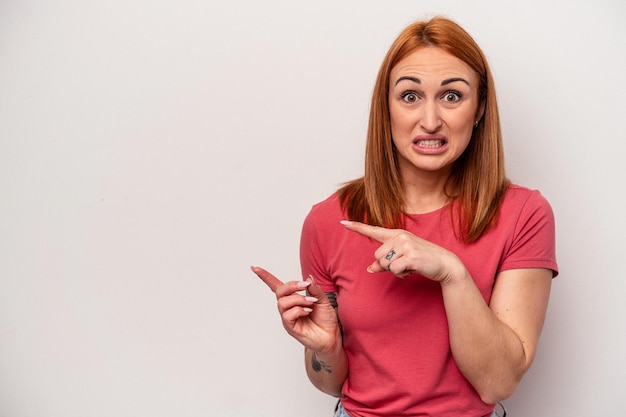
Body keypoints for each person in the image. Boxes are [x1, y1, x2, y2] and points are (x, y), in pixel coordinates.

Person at [252, 16, 558, 417]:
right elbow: (329, 381)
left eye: (452, 96)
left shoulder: (523, 214)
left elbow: (498, 382)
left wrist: (452, 272)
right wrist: (325, 349)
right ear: (387, 107)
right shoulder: (328, 222)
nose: (430, 121)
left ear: (480, 106)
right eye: (410, 96)